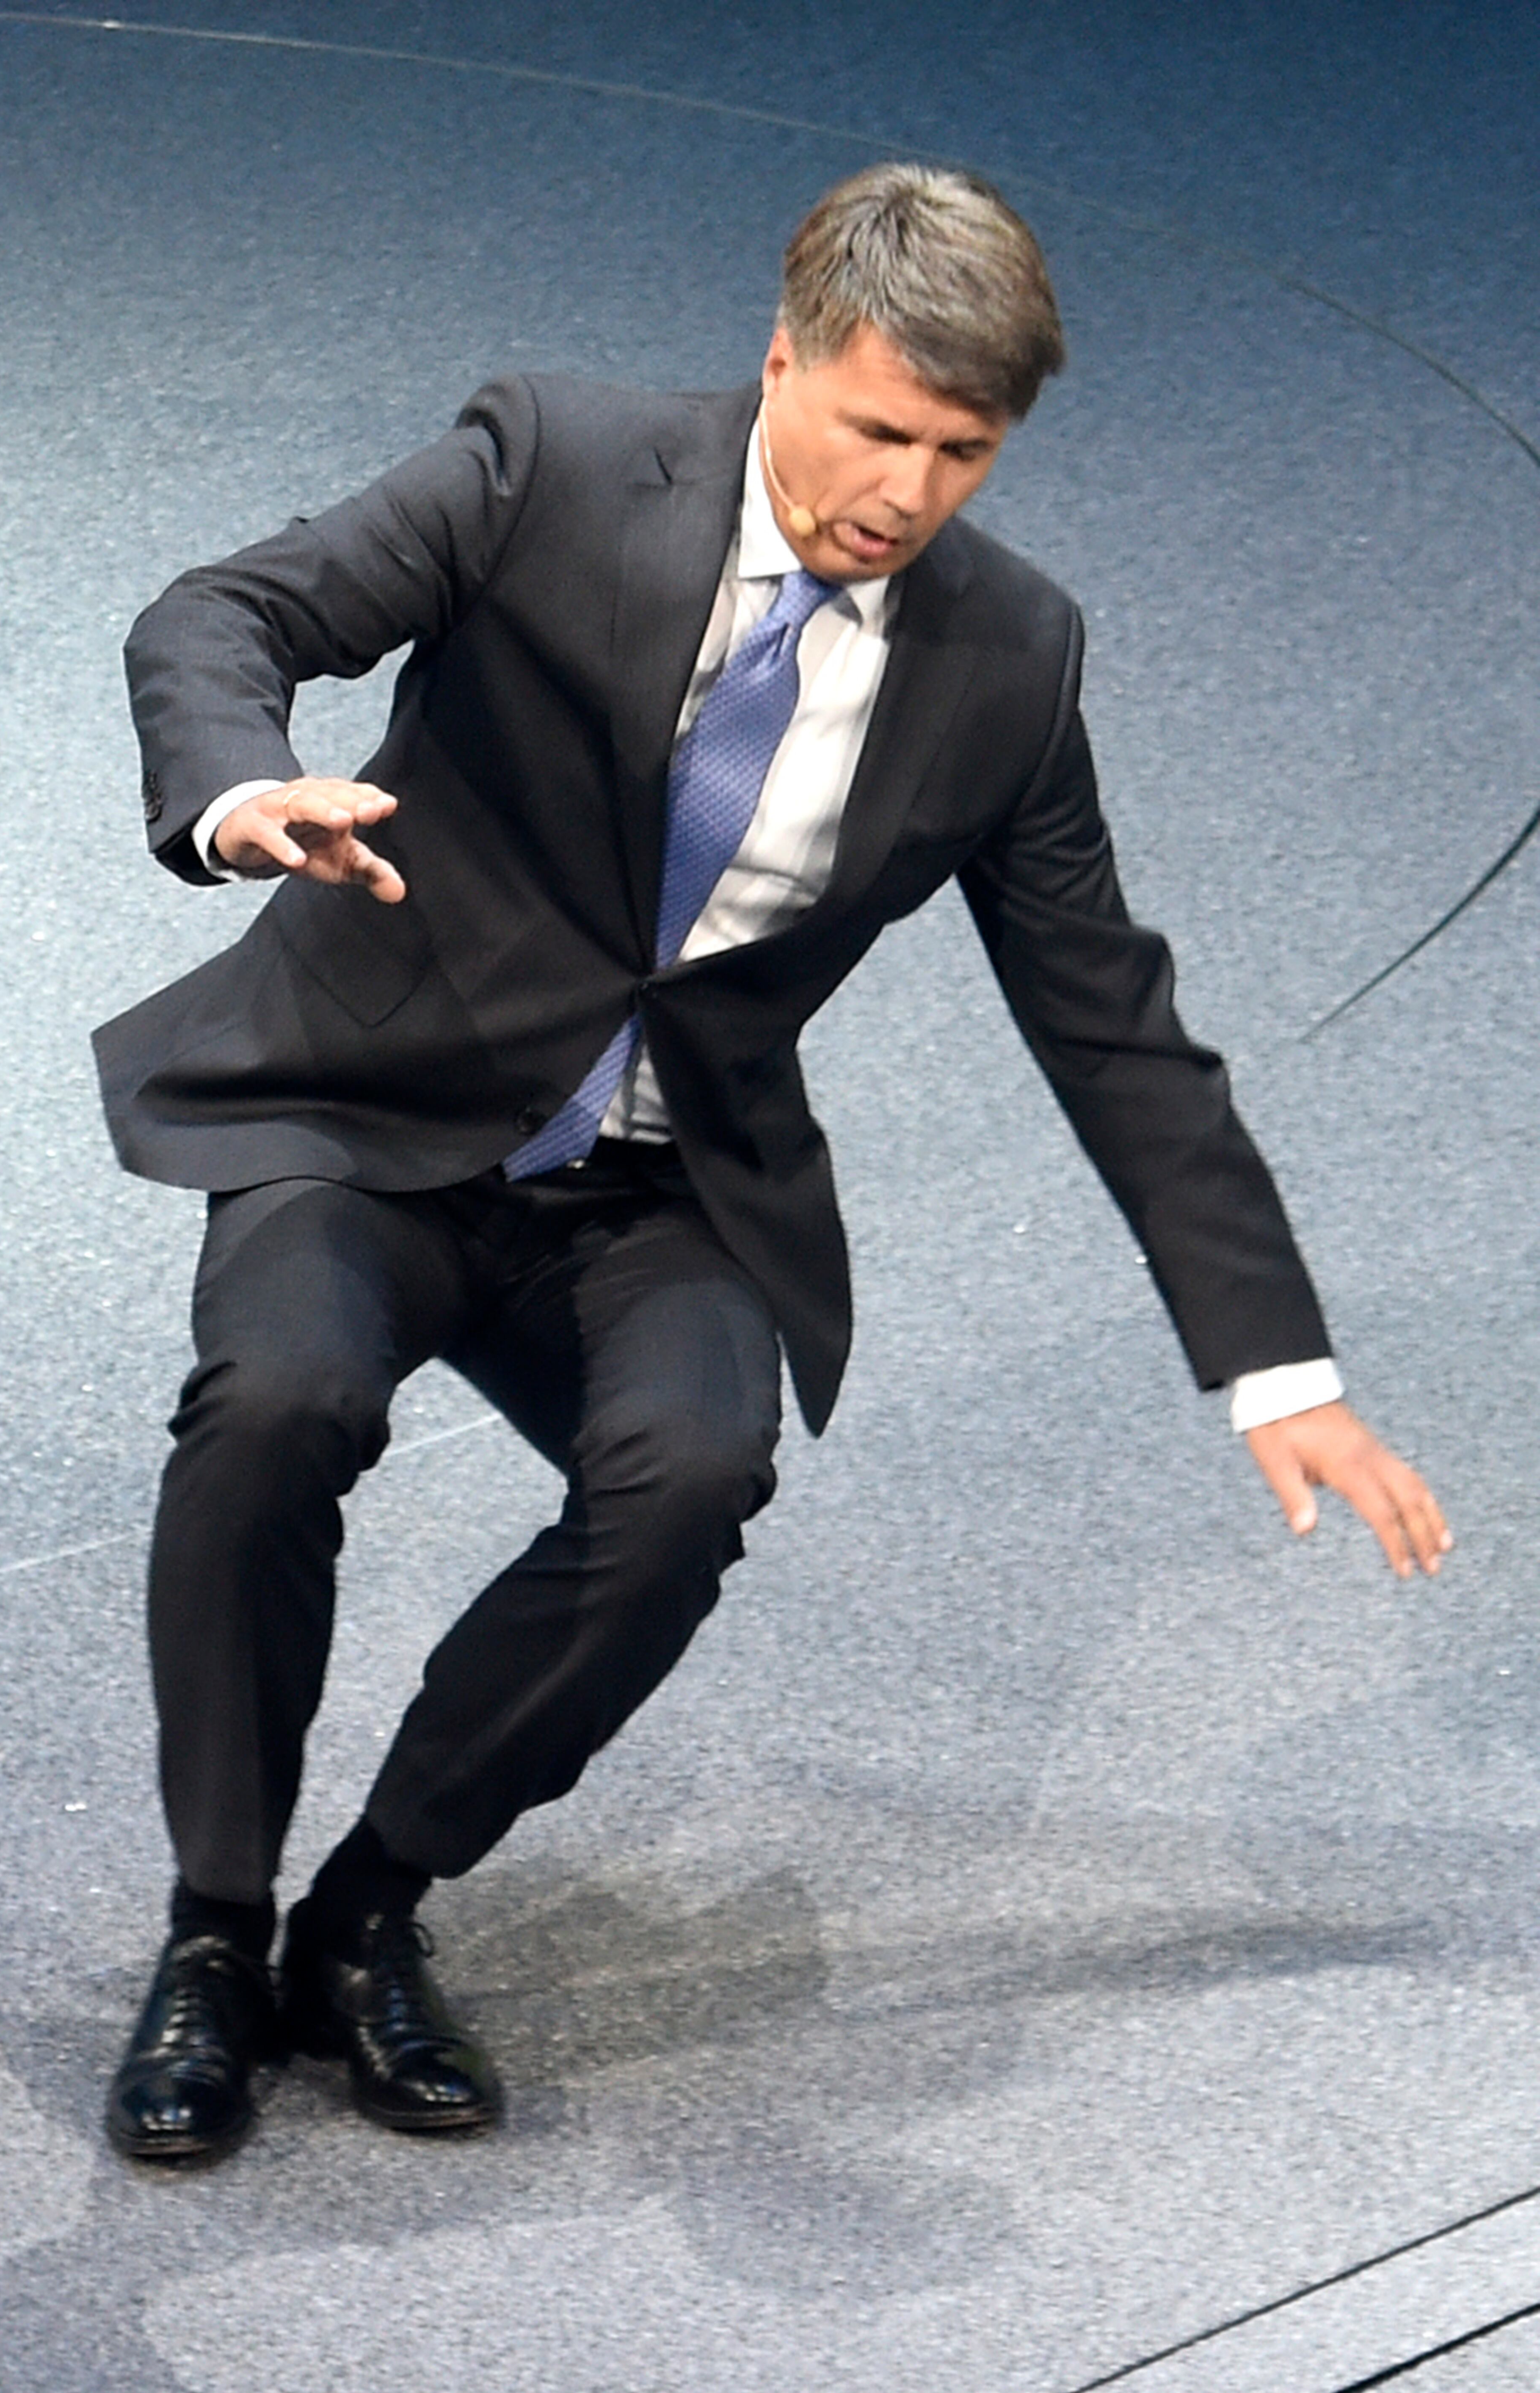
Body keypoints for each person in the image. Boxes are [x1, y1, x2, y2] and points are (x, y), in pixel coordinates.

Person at [94, 163, 1449, 2167]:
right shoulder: (550, 462)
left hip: (656, 1183)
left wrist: (1282, 1365)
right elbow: (228, 611)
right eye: (877, 426)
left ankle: (366, 1910)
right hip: (372, 1112)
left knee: (694, 1475)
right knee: (280, 1398)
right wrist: (237, 797)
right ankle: (215, 1930)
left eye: (962, 453)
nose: (906, 490)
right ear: (784, 357)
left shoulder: (1008, 657)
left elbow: (1114, 1025)